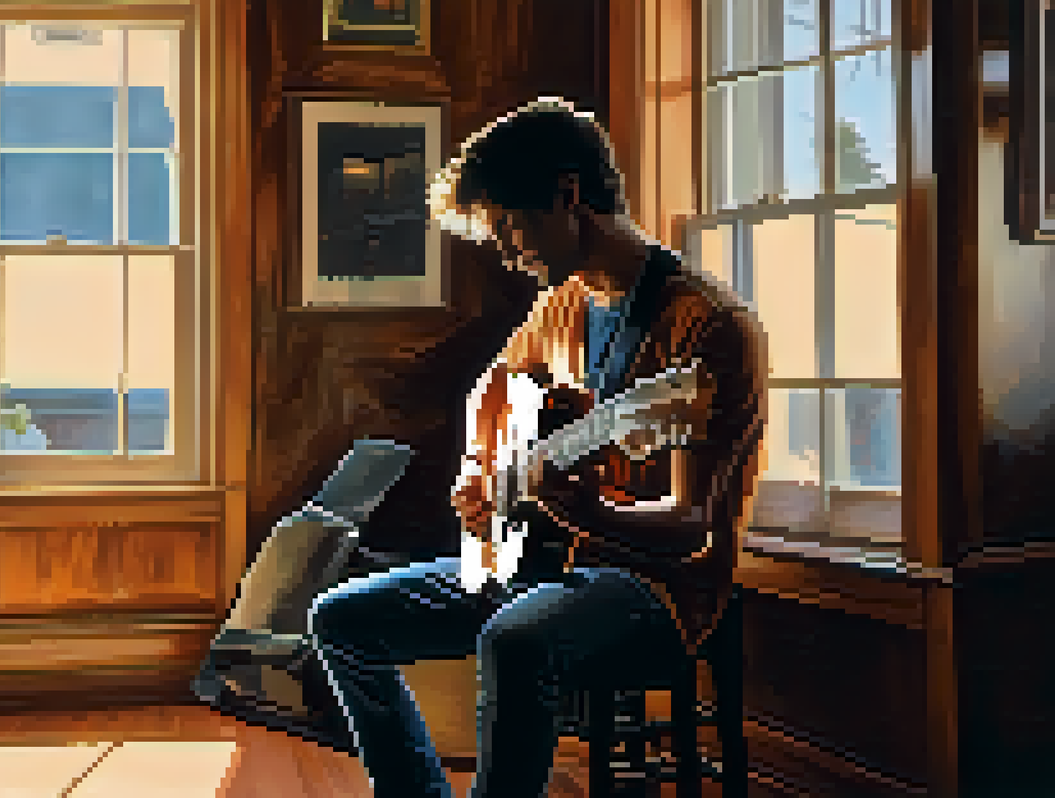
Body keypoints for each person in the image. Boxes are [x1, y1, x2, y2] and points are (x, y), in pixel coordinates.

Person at [306, 97, 768, 798]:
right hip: (540, 563)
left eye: (510, 226)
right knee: (339, 619)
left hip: (655, 588)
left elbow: (690, 529)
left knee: (514, 640)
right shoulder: (563, 304)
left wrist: (585, 514)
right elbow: (491, 393)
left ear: (567, 195)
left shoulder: (707, 327)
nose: (502, 248)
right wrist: (481, 472)